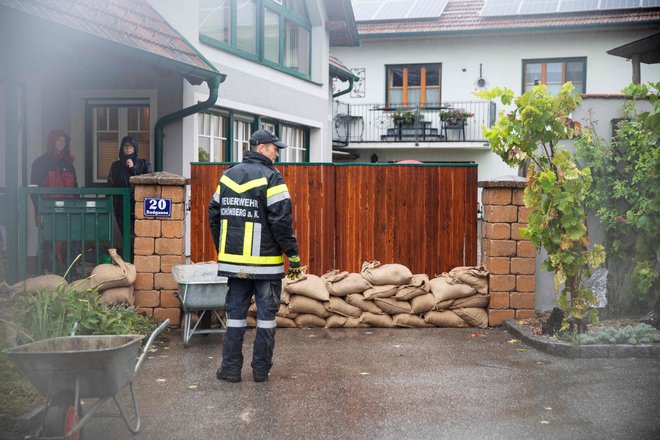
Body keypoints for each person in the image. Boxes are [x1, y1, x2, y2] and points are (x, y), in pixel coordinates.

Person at [208, 129, 302, 383]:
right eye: (274, 147)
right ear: (261, 148)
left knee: (236, 318)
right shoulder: (272, 178)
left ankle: (230, 369)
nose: (277, 152)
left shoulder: (227, 176)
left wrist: (224, 248)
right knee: (265, 319)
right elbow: (281, 220)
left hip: (234, 264)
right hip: (266, 266)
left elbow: (213, 215)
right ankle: (260, 371)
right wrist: (292, 255)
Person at [30, 129, 79, 274]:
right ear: (51, 142)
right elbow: (34, 191)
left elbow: (75, 189)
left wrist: (75, 210)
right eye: (58, 140)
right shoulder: (40, 163)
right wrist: (40, 211)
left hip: (68, 212)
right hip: (48, 212)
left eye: (63, 141)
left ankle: (70, 275)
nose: (61, 143)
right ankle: (54, 276)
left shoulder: (69, 165)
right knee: (49, 244)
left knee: (71, 242)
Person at [107, 136, 152, 257]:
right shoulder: (116, 165)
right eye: (125, 145)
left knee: (139, 235)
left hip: (138, 205)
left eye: (130, 145)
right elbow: (110, 184)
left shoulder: (144, 163)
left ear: (135, 148)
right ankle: (130, 261)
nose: (127, 148)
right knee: (127, 235)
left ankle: (137, 261)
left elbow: (147, 182)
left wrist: (132, 169)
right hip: (121, 206)